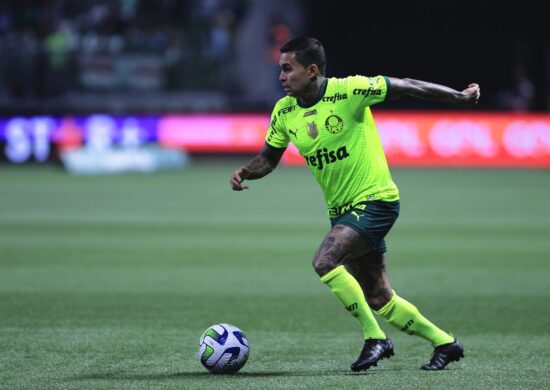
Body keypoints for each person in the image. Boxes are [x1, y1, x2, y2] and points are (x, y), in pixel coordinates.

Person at [230, 37, 480, 372]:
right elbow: (269, 159)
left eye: (288, 69)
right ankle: (446, 343)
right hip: (342, 212)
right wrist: (247, 171)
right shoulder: (284, 111)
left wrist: (459, 97)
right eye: (281, 69)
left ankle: (375, 338)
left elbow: (408, 85)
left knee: (324, 261)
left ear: (312, 70)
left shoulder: (350, 91)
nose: (281, 77)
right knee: (379, 297)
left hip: (376, 200)